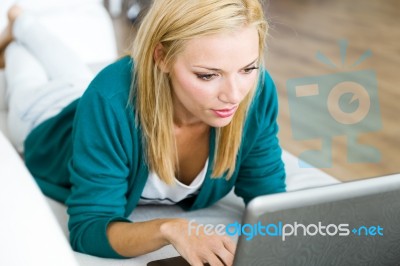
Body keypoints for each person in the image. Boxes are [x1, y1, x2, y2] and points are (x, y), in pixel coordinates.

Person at [1, 0, 286, 265]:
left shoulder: (255, 94)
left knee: (74, 71)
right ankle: (20, 23)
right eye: (207, 75)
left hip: (92, 95)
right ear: (161, 57)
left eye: (248, 69)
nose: (234, 95)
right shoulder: (108, 101)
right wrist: (169, 229)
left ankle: (23, 25)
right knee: (23, 71)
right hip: (43, 115)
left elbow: (270, 198)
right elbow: (88, 228)